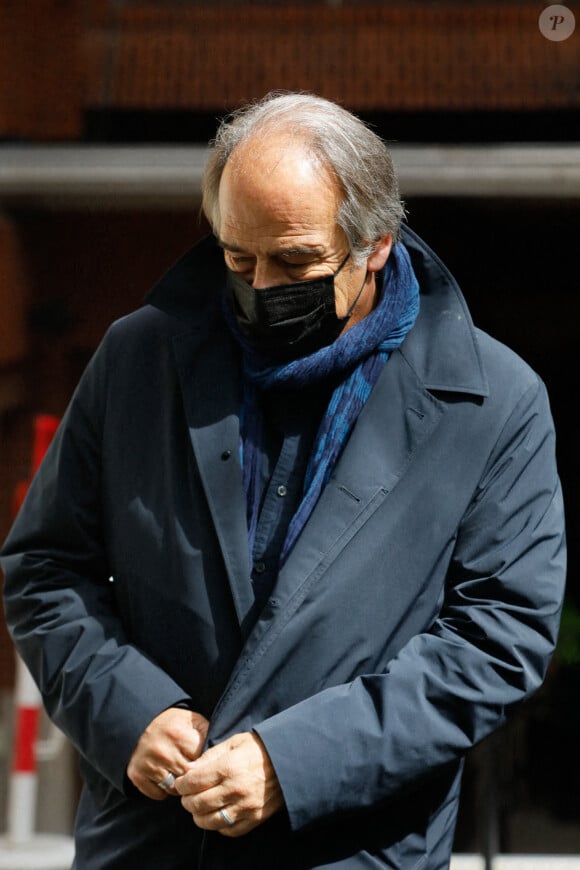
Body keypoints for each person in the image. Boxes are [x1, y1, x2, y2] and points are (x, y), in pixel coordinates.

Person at [1, 91, 566, 869]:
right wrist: (126, 708)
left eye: (295, 261)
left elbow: (498, 637)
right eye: (238, 258)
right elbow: (44, 568)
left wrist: (293, 762)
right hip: (152, 846)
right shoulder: (138, 358)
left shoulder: (496, 402)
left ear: (375, 243)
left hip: (352, 850)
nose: (262, 288)